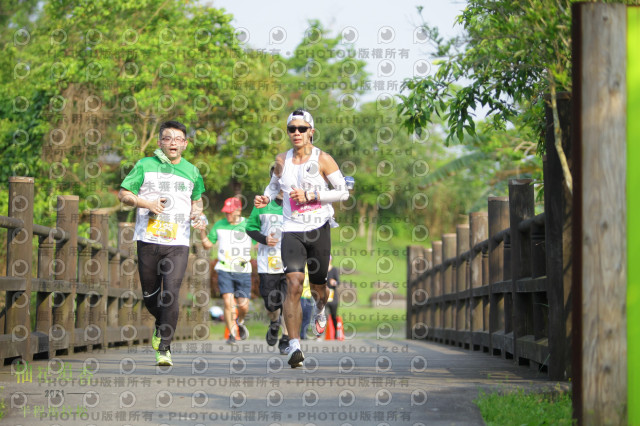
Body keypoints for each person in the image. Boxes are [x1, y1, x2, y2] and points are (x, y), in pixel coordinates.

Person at [254, 109, 350, 368]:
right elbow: (273, 187)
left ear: (311, 132)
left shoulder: (324, 159)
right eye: (292, 129)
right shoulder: (281, 160)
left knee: (319, 288)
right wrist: (265, 197)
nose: (297, 133)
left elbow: (343, 193)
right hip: (291, 229)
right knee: (294, 283)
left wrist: (312, 197)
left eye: (302, 128)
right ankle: (294, 344)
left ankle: (320, 309)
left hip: (318, 228)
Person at [118, 120, 206, 366]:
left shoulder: (192, 171)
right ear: (160, 143)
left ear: (185, 144)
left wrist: (198, 214)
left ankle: (165, 346)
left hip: (178, 243)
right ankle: (160, 324)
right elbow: (124, 194)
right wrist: (147, 204)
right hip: (148, 239)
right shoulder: (145, 165)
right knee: (150, 296)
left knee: (171, 294)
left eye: (178, 139)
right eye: (168, 138)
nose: (173, 143)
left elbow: (197, 201)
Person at [245, 175, 290, 355]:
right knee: (271, 304)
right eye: (277, 181)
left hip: (290, 261)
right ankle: (274, 323)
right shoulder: (262, 204)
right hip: (267, 262)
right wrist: (264, 239)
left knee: (289, 301)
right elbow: (250, 227)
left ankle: (286, 338)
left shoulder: (296, 206)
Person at [200, 197, 253, 344]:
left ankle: (239, 322)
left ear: (238, 210)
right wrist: (202, 231)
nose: (228, 215)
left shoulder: (249, 225)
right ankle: (232, 333)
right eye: (226, 212)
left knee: (244, 305)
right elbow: (207, 245)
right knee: (228, 303)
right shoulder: (219, 225)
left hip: (243, 269)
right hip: (224, 269)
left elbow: (258, 244)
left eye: (231, 212)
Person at [325, 256, 341, 339]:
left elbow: (338, 282)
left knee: (334, 316)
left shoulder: (334, 270)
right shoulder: (322, 270)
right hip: (324, 296)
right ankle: (320, 335)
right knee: (323, 316)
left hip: (333, 296)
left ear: (331, 260)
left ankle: (335, 334)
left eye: (329, 260)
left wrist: (334, 282)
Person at [299, 267, 314, 340]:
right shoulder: (301, 267)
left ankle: (303, 334)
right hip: (301, 297)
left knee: (307, 317)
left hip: (309, 298)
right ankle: (296, 334)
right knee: (299, 317)